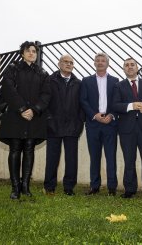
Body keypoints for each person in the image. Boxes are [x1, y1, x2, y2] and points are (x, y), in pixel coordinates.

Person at [0, 41, 50, 200]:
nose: (32, 53)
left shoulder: (42, 72)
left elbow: (46, 94)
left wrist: (34, 110)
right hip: (15, 116)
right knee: (15, 148)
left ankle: (25, 186)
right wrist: (21, 109)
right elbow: (8, 88)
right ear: (22, 53)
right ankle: (15, 187)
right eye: (28, 50)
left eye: (34, 51)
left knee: (29, 148)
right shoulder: (13, 69)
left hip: (34, 117)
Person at [112, 57, 142, 199]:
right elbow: (114, 105)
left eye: (132, 65)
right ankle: (129, 189)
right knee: (129, 160)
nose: (130, 67)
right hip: (126, 130)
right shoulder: (118, 86)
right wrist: (131, 106)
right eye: (126, 65)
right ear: (124, 69)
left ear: (137, 68)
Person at [43, 54, 84, 196]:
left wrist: (79, 123)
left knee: (71, 159)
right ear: (59, 64)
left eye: (71, 62)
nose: (68, 64)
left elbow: (81, 106)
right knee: (52, 158)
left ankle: (69, 187)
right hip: (53, 126)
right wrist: (48, 120)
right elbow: (44, 101)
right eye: (65, 62)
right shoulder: (49, 80)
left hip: (72, 127)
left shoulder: (78, 83)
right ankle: (49, 187)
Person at [80, 52, 119, 196]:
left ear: (107, 63)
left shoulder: (116, 81)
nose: (101, 62)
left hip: (110, 124)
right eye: (98, 60)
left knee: (111, 157)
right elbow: (83, 100)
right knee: (94, 156)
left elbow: (117, 101)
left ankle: (112, 188)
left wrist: (111, 115)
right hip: (93, 124)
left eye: (103, 60)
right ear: (94, 63)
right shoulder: (86, 80)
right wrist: (94, 115)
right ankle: (94, 186)